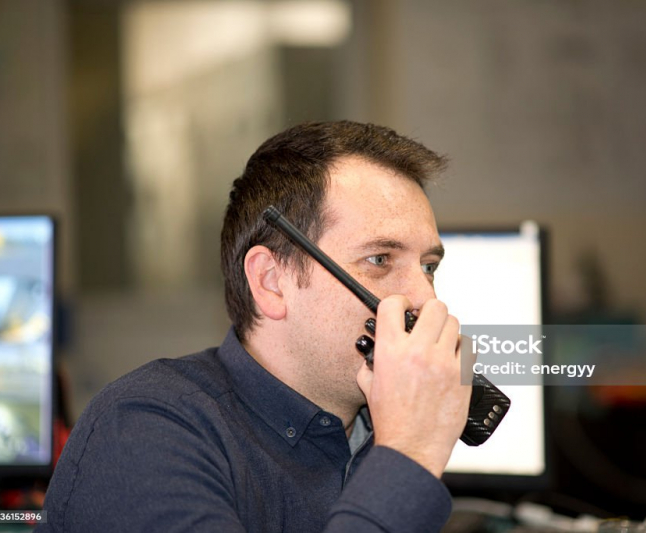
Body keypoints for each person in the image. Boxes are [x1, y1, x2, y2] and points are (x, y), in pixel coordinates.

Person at [38, 121, 472, 532]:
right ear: (272, 282)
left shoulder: (375, 433)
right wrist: (407, 457)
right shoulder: (142, 432)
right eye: (379, 260)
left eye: (429, 266)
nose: (426, 298)